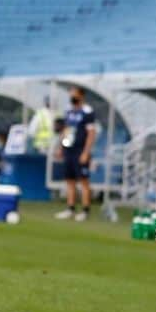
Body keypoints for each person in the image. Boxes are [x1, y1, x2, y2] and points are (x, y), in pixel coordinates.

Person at [54, 85, 95, 221]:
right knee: (69, 180)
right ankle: (70, 208)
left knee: (83, 181)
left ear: (81, 95)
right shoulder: (69, 111)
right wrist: (60, 147)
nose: (72, 96)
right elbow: (65, 129)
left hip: (80, 150)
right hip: (69, 150)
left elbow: (91, 133)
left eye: (74, 93)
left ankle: (85, 210)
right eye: (71, 93)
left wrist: (86, 152)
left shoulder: (87, 112)